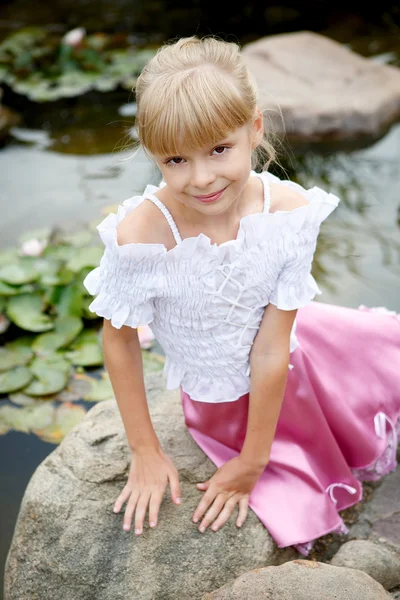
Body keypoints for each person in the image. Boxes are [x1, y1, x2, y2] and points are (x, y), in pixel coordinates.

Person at [83, 35, 400, 555]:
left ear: (254, 128)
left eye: (219, 150)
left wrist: (253, 461)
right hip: (224, 391)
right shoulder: (142, 237)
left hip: (289, 362)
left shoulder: (289, 211)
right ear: (152, 154)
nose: (202, 178)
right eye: (175, 160)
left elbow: (274, 348)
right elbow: (119, 341)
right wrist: (145, 448)